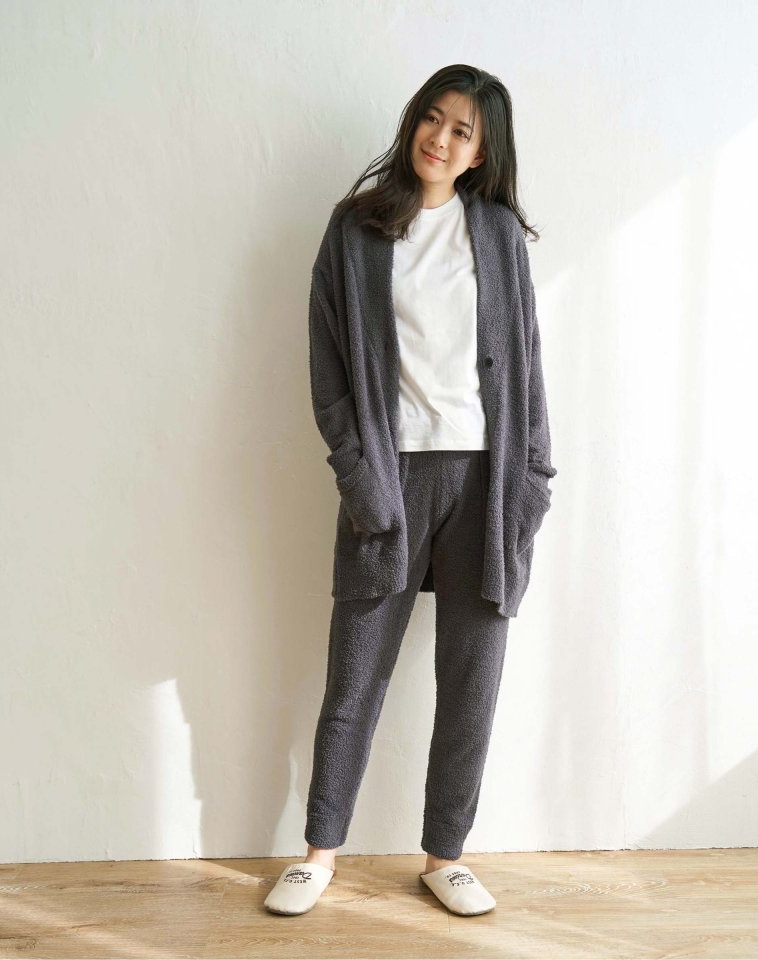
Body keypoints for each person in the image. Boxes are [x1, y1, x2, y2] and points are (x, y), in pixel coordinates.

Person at [264, 63, 557, 917]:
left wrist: (533, 480)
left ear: (481, 153)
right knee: (354, 675)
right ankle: (319, 853)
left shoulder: (497, 234)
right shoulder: (356, 229)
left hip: (487, 480)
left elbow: (527, 366)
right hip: (391, 479)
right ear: (414, 123)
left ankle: (445, 856)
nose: (441, 138)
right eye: (434, 118)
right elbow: (329, 371)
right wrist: (360, 477)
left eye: (463, 131)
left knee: (472, 683)